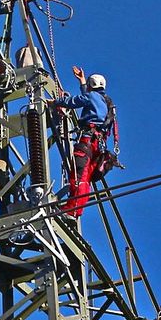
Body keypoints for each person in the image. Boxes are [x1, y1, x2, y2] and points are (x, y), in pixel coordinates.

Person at [52, 65, 118, 219]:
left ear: (91, 86)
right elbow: (88, 98)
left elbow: (76, 101)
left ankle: (72, 210)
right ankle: (74, 209)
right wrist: (82, 81)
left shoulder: (93, 97)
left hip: (87, 141)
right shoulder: (105, 101)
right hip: (97, 147)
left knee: (79, 176)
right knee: (85, 179)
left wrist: (57, 102)